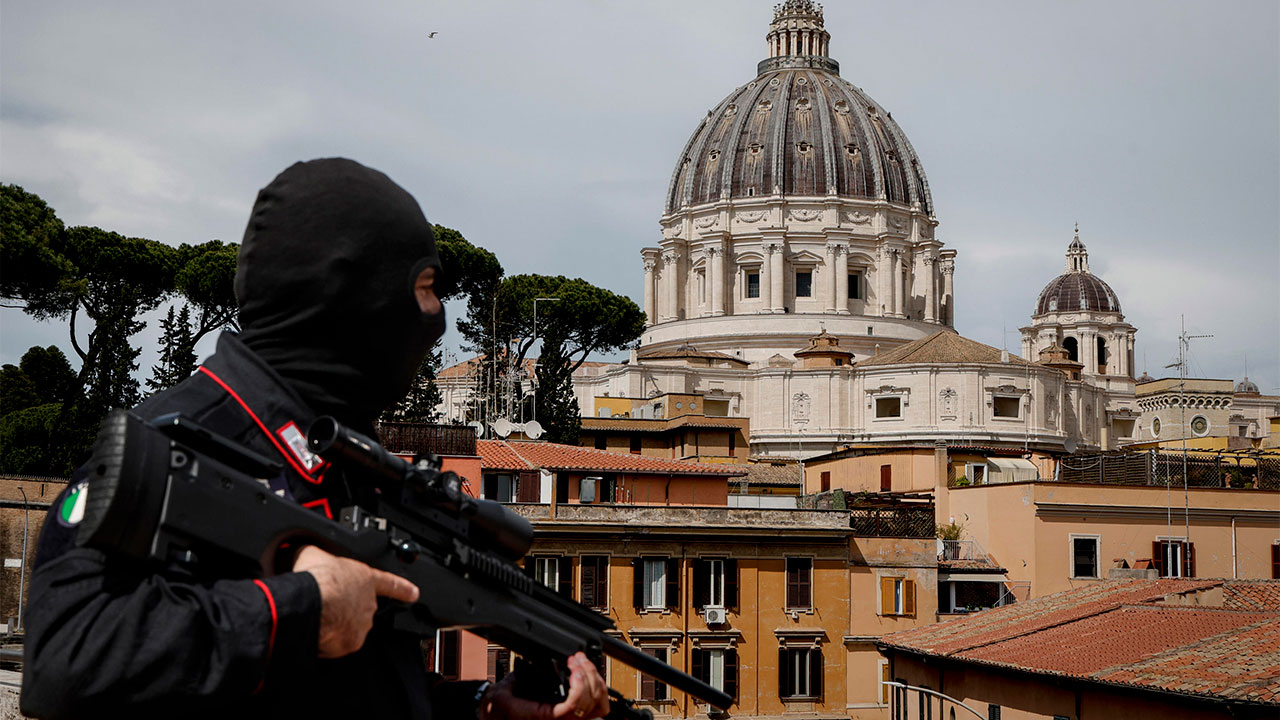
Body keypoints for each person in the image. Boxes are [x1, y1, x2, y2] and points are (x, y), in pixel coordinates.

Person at [20, 158, 611, 720]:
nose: (437, 316)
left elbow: (353, 687)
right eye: (425, 286)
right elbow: (64, 662)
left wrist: (479, 706)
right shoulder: (172, 445)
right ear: (348, 292)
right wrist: (297, 610)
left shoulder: (346, 457)